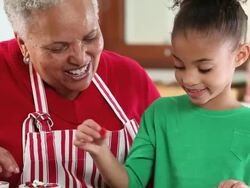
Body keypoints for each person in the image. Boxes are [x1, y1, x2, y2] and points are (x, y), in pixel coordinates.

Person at [74, 0, 250, 187]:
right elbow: (131, 182)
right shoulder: (159, 114)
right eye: (179, 65)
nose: (189, 79)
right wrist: (100, 151)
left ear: (240, 55)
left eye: (204, 68)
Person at [0, 0, 160, 187]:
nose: (80, 58)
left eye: (90, 37)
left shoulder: (130, 77)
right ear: (23, 44)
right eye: (58, 48)